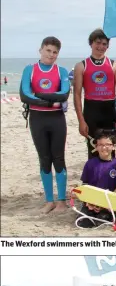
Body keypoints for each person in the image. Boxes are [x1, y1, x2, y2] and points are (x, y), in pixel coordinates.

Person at [19, 36, 71, 213]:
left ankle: (62, 201)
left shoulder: (61, 71)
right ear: (40, 50)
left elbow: (64, 95)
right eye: (48, 50)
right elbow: (25, 95)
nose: (51, 54)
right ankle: (49, 200)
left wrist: (39, 96)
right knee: (44, 159)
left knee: (59, 158)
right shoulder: (30, 70)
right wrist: (49, 102)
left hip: (56, 119)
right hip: (38, 119)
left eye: (55, 52)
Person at [74, 29, 116, 159]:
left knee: (110, 149)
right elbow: (76, 94)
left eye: (104, 44)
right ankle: (94, 178)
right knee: (93, 149)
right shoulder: (81, 66)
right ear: (91, 43)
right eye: (98, 43)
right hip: (91, 111)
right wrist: (81, 120)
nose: (101, 46)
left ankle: (111, 177)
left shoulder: (114, 65)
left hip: (110, 110)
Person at [76, 131, 116, 228]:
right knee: (84, 223)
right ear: (96, 146)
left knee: (103, 222)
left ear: (114, 146)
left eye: (107, 144)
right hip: (91, 201)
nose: (104, 147)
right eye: (100, 145)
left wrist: (106, 203)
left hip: (108, 202)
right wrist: (88, 202)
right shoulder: (90, 164)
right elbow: (85, 186)